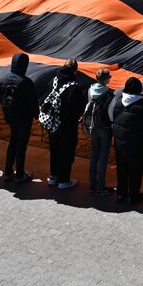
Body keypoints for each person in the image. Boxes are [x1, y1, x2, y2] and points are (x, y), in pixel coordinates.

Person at [39, 59, 86, 190]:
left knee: (54, 150)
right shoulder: (74, 87)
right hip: (66, 126)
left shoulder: (54, 80)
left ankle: (53, 176)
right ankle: (64, 180)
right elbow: (77, 108)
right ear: (75, 71)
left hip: (52, 123)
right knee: (66, 152)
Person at [0, 52, 38, 183]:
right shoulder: (26, 82)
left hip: (10, 117)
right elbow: (32, 102)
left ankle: (8, 171)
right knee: (21, 145)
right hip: (24, 119)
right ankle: (20, 174)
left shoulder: (3, 79)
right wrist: (36, 115)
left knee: (13, 143)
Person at [111, 75, 143, 208]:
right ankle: (133, 195)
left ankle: (121, 194)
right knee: (135, 170)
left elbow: (112, 117)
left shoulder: (118, 101)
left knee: (121, 169)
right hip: (136, 144)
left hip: (120, 142)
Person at [82, 68, 113, 196]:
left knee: (94, 155)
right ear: (106, 80)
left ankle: (92, 184)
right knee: (103, 157)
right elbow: (110, 113)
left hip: (93, 126)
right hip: (105, 128)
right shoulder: (109, 94)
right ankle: (100, 186)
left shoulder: (90, 90)